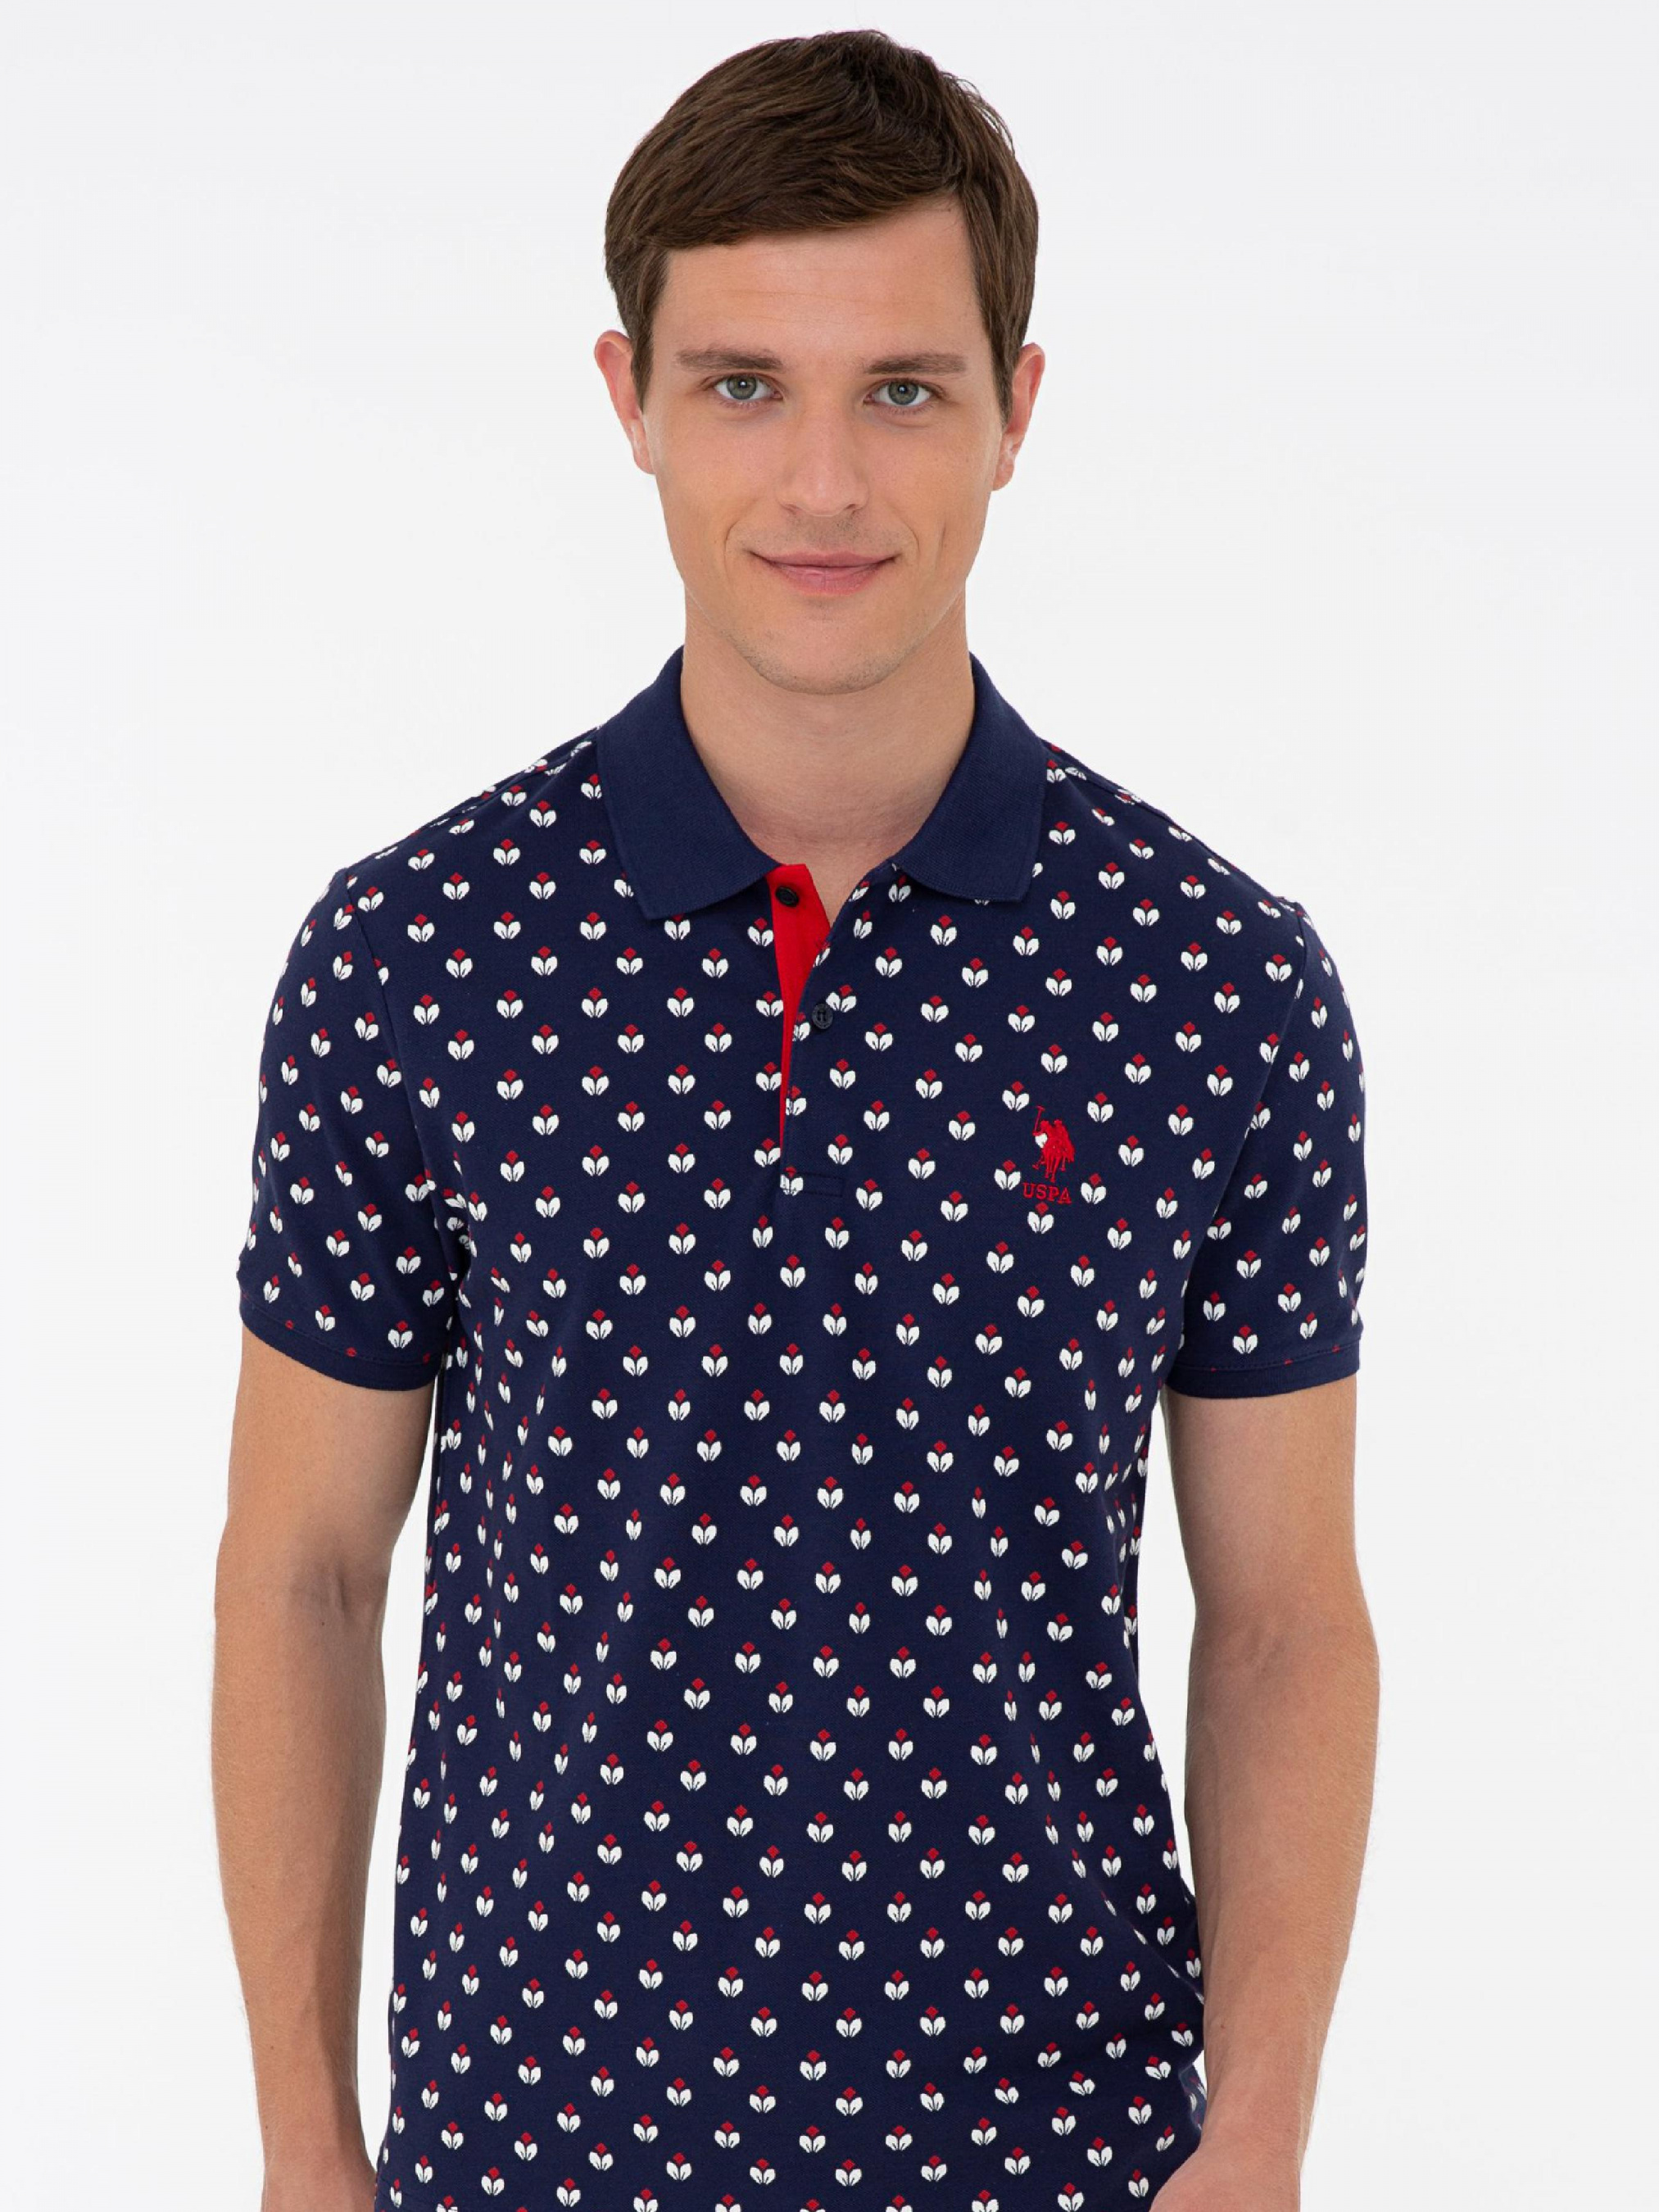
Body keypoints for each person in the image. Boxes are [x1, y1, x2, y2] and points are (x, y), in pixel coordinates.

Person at [214, 29, 1378, 2212]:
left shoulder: (1215, 983)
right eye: (744, 383)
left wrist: (1259, 2142)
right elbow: (301, 1571)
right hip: (529, 2149)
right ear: (630, 399)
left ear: (1017, 410)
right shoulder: (414, 954)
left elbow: (1285, 1616)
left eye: (903, 390)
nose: (824, 484)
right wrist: (301, 2149)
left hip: (1063, 2153)